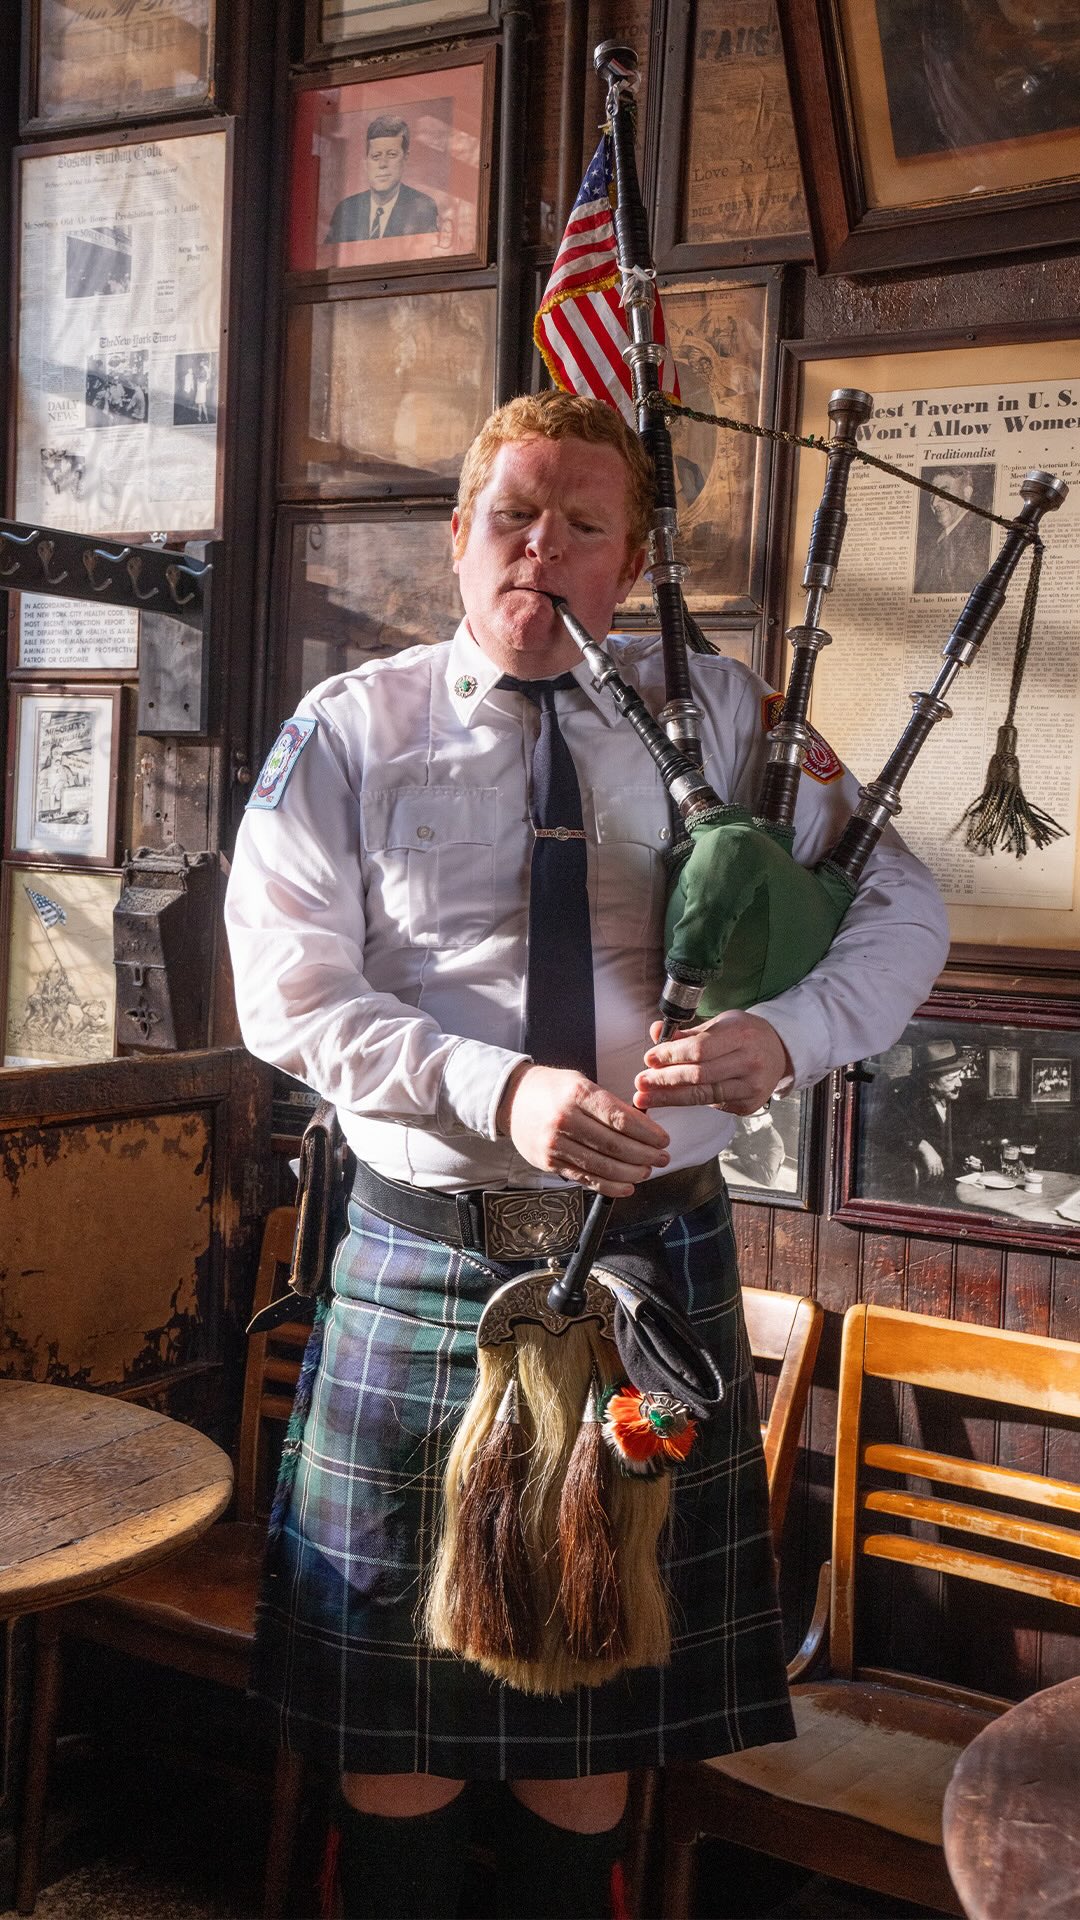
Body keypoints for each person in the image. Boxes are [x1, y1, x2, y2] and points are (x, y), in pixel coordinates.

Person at [224, 391, 949, 1920]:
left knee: (590, 1743)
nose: (543, 548)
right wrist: (500, 1092)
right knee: (397, 1742)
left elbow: (904, 905)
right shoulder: (350, 729)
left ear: (629, 559)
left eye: (584, 524)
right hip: (426, 1254)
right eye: (514, 516)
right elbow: (287, 992)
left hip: (651, 1262)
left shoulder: (732, 716)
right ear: (458, 538)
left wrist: (793, 1034)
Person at [325, 113, 439, 244]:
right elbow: (326, 258)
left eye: (391, 155)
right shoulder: (346, 209)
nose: (382, 164)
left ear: (405, 157)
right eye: (375, 156)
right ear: (366, 161)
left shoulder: (422, 208)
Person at [913, 466, 993, 595]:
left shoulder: (982, 537)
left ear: (966, 494)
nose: (934, 503)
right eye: (932, 494)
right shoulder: (933, 539)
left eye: (943, 492)